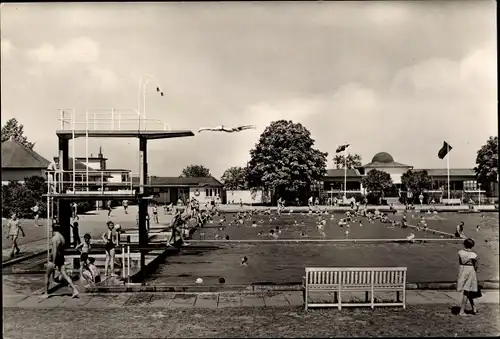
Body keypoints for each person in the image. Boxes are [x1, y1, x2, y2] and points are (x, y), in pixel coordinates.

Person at [42, 223, 79, 299]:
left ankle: (46, 293)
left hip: (55, 258)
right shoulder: (62, 237)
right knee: (64, 274)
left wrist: (54, 262)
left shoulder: (54, 238)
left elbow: (54, 251)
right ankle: (75, 289)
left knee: (47, 275)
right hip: (61, 257)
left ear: (53, 229)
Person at [457, 238, 479, 316]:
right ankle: (462, 311)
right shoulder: (474, 255)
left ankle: (474, 308)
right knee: (467, 291)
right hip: (470, 271)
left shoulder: (460, 252)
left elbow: (460, 262)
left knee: (467, 290)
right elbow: (476, 266)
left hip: (462, 270)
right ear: (472, 246)